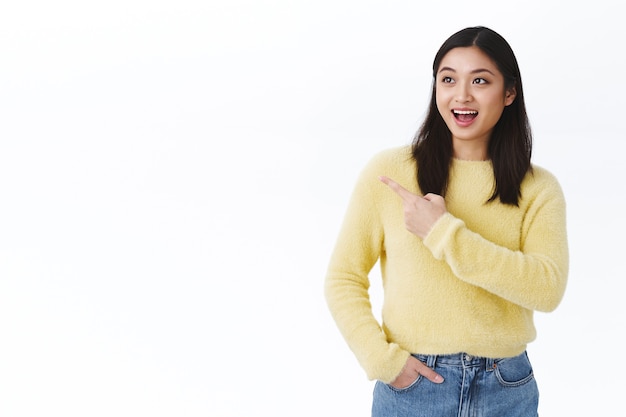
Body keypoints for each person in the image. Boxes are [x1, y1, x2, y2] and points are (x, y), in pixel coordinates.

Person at [324, 26, 568, 417]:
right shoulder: (390, 171)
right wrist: (383, 361)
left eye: (480, 81)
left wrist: (442, 233)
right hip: (414, 386)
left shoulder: (538, 188)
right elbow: (343, 278)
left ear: (509, 92)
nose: (462, 95)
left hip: (506, 387)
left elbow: (547, 288)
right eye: (448, 79)